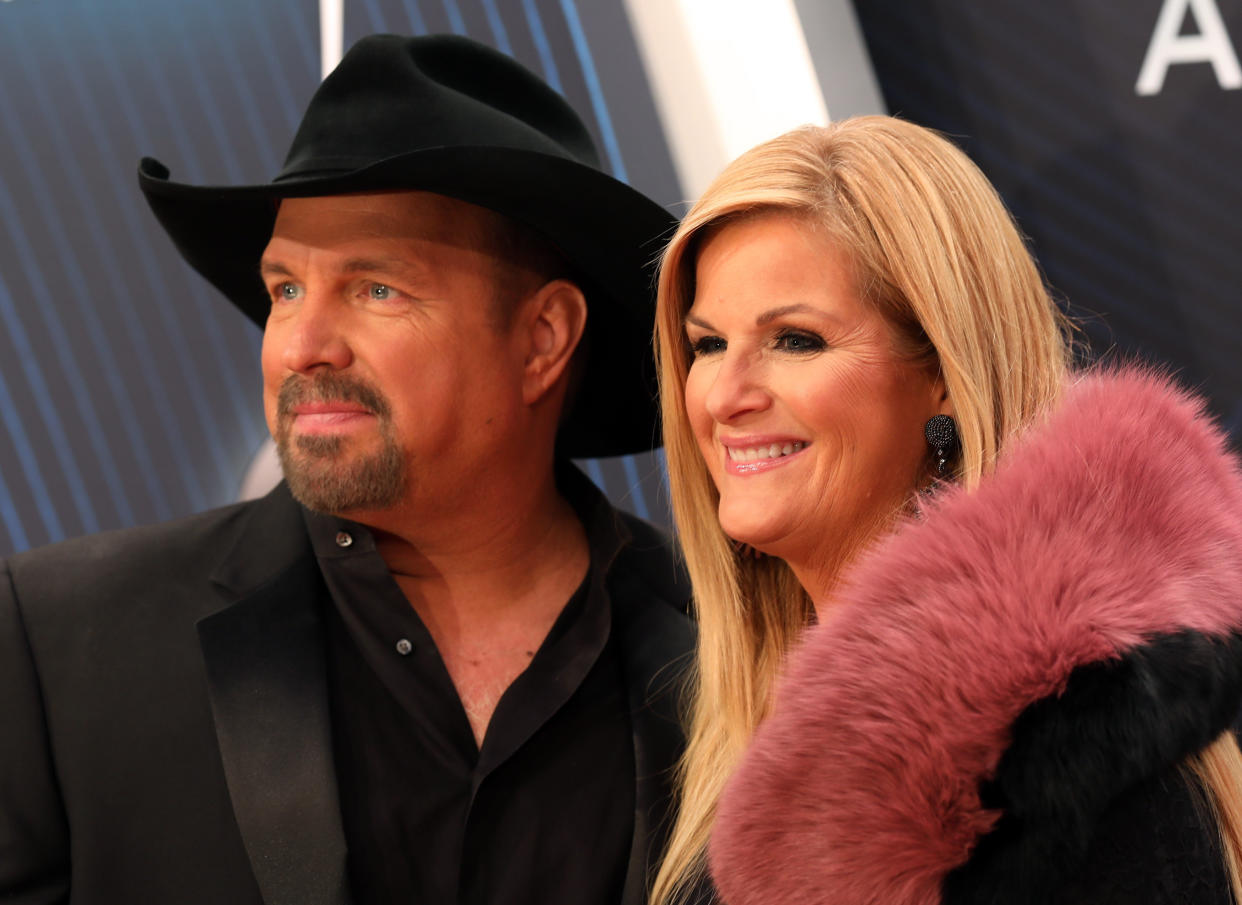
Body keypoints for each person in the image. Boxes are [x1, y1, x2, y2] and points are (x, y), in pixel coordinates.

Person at [0, 34, 694, 905]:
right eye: (285, 287)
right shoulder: (64, 640)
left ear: (543, 338)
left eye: (375, 289)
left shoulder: (741, 654)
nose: (300, 346)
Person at [649, 116, 1242, 905]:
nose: (724, 395)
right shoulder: (745, 729)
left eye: (795, 340)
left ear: (941, 374)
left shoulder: (1066, 758)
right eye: (707, 345)